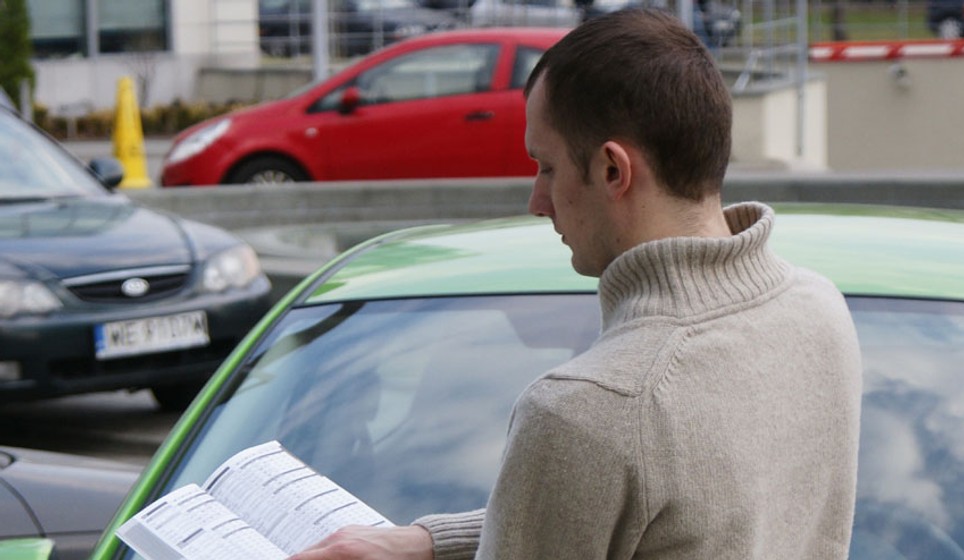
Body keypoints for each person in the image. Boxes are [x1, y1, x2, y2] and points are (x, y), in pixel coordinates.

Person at [290, 7, 862, 560]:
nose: (537, 202)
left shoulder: (588, 412)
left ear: (614, 170)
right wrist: (432, 543)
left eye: (546, 166)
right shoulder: (818, 309)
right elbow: (685, 518)